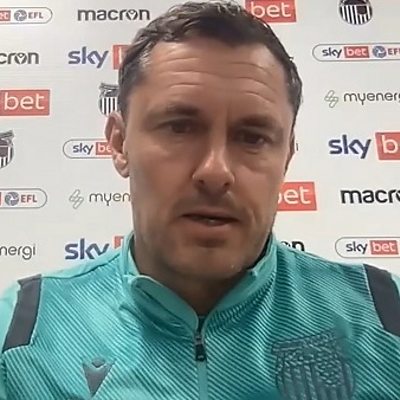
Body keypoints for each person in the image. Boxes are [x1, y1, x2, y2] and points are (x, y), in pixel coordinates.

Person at [1, 1, 399, 399]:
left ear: (287, 157)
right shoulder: (21, 333)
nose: (215, 171)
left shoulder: (386, 318)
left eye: (252, 137)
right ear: (120, 144)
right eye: (180, 128)